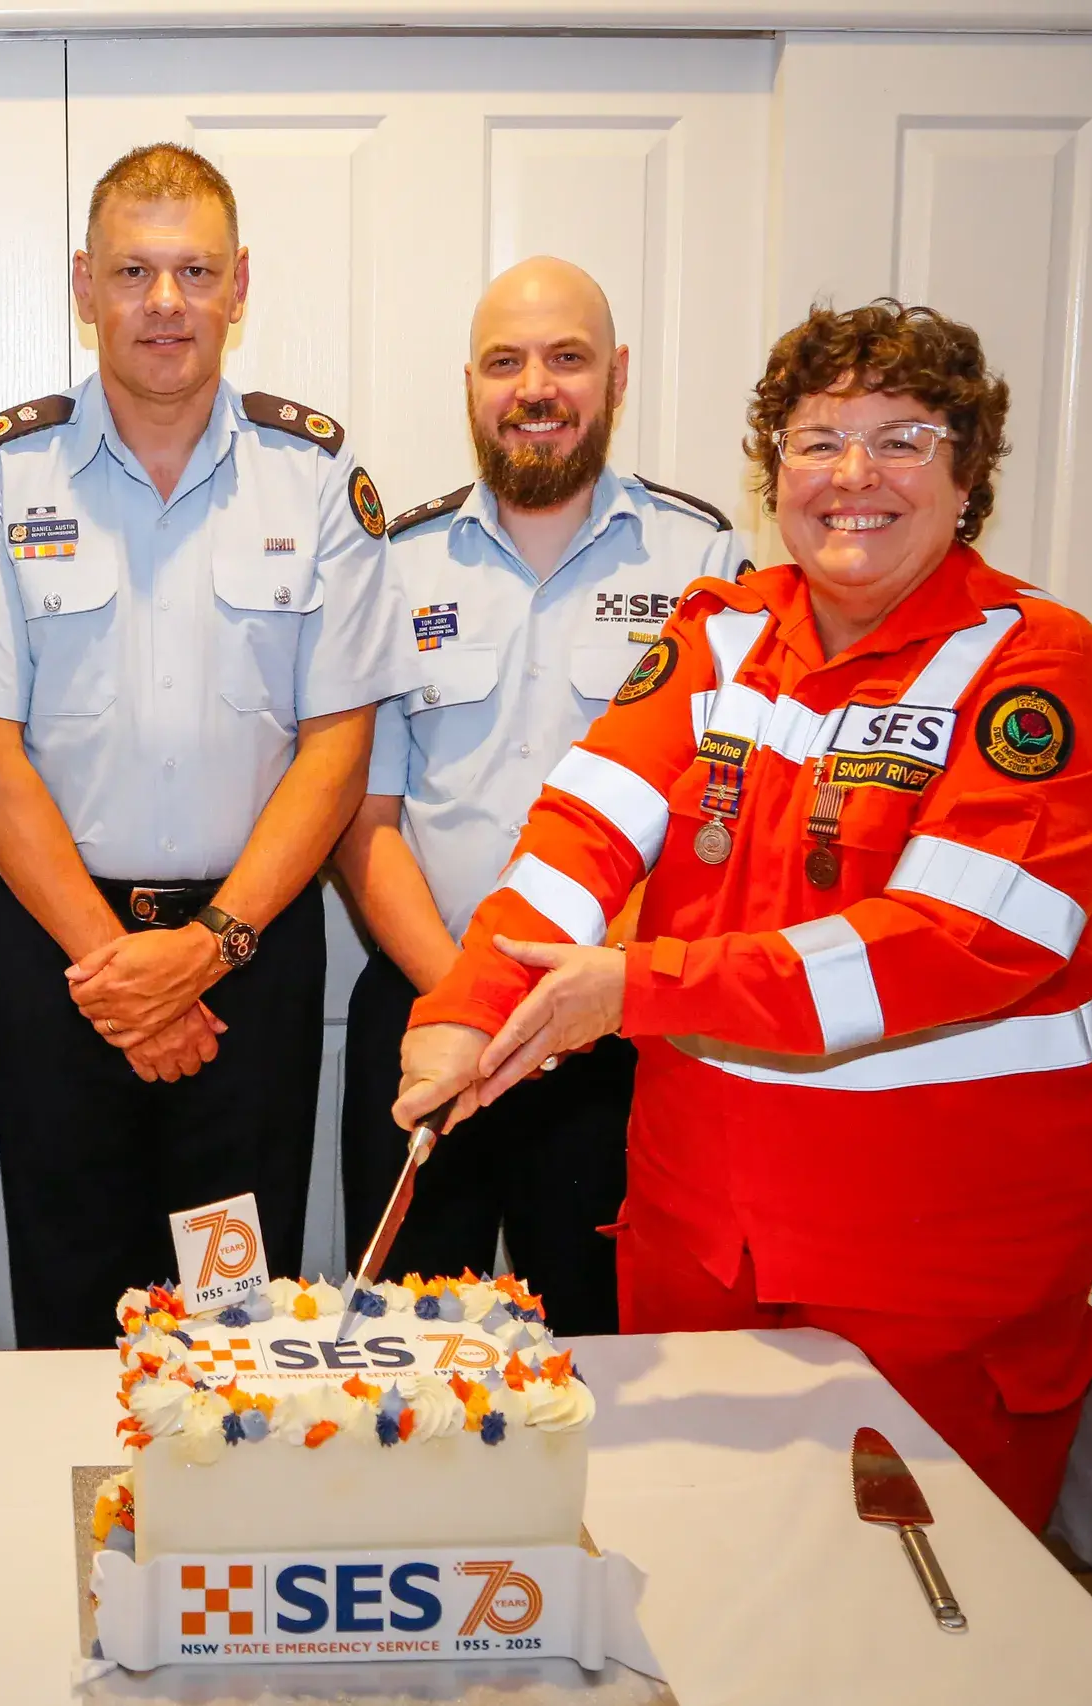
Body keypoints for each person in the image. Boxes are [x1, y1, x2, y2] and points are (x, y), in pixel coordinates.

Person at [394, 300, 1092, 1531]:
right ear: (773, 468)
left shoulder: (1034, 666)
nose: (852, 475)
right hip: (699, 1241)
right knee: (697, 1571)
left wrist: (639, 987)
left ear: (968, 474)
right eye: (815, 438)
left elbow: (956, 946)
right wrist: (467, 1011)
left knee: (929, 1619)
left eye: (901, 438)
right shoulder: (717, 631)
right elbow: (581, 827)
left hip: (938, 1268)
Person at [0, 144, 417, 1348]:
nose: (166, 302)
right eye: (135, 269)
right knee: (75, 1292)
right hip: (56, 960)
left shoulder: (317, 475)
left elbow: (336, 751)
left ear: (242, 283)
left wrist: (208, 946)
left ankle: (220, 1532)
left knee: (233, 1308)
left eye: (194, 270)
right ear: (84, 283)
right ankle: (87, 1531)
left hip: (252, 957)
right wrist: (122, 974)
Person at [331, 257, 746, 1334]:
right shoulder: (396, 562)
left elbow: (720, 821)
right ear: (468, 383)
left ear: (615, 377)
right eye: (504, 361)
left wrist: (573, 1002)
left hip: (613, 1039)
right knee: (405, 1353)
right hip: (425, 1013)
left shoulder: (706, 560)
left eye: (566, 358)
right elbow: (364, 820)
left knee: (610, 1353)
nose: (535, 387)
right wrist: (464, 995)